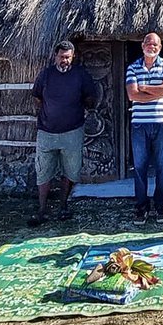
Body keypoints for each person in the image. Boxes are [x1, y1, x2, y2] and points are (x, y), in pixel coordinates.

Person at [28, 41, 99, 226]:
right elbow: (36, 96)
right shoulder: (46, 75)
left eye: (67, 57)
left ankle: (63, 206)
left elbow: (90, 96)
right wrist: (46, 113)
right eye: (61, 57)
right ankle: (42, 209)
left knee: (71, 170)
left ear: (73, 56)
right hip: (46, 131)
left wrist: (81, 108)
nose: (64, 60)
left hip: (72, 131)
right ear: (55, 56)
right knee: (43, 171)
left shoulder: (80, 75)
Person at [125, 33, 163, 225]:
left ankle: (161, 207)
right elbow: (132, 95)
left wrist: (144, 88)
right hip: (139, 123)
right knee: (139, 167)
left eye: (155, 44)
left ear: (160, 47)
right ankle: (141, 207)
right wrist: (157, 91)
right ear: (142, 45)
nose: (151, 46)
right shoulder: (132, 67)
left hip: (162, 121)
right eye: (148, 43)